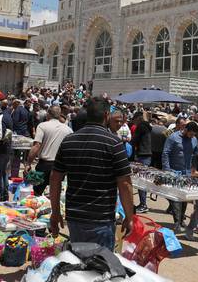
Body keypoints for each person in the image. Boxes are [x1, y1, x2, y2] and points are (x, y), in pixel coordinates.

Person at [49, 97, 134, 251]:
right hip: (101, 219)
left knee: (78, 264)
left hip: (75, 217)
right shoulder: (114, 144)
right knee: (101, 267)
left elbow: (55, 179)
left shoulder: (69, 141)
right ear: (107, 115)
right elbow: (125, 184)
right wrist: (129, 216)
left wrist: (55, 213)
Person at [25, 106, 72, 196]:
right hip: (60, 166)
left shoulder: (42, 126)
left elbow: (36, 146)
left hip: (44, 165)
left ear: (48, 115)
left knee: (37, 194)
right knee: (55, 194)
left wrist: (28, 163)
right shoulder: (68, 130)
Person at [162, 121, 198, 232]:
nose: (192, 136)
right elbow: (165, 153)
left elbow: (196, 152)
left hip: (187, 173)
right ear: (185, 130)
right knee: (175, 198)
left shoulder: (194, 140)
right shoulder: (173, 137)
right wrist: (167, 170)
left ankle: (181, 218)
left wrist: (195, 165)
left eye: (194, 135)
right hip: (174, 172)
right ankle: (176, 222)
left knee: (184, 198)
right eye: (191, 134)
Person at [131, 112, 152, 214]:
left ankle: (143, 205)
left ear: (138, 118)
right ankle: (143, 203)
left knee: (141, 182)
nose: (134, 122)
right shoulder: (147, 126)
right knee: (143, 180)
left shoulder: (141, 127)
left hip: (142, 155)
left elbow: (134, 140)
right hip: (147, 155)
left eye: (134, 120)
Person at [11, 99, 32, 178]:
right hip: (25, 133)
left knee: (16, 155)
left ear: (16, 103)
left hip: (18, 134)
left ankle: (14, 174)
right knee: (23, 156)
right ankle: (25, 173)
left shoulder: (17, 110)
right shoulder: (26, 111)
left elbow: (15, 121)